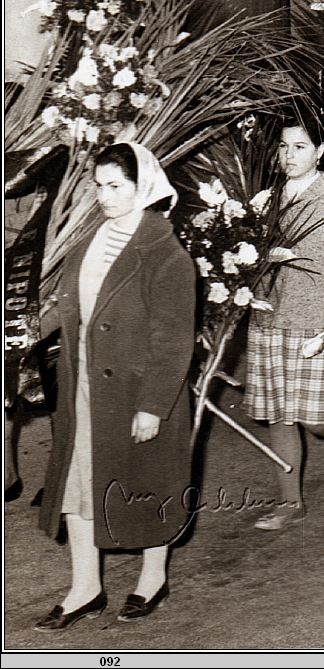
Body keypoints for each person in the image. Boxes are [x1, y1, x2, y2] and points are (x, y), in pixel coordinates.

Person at [37, 143, 195, 629]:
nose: (104, 195)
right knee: (78, 483)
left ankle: (152, 577)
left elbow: (173, 339)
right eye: (98, 185)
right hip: (85, 384)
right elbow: (73, 310)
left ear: (142, 186)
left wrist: (152, 406)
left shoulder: (165, 253)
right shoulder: (90, 240)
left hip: (138, 392)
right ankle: (86, 587)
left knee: (147, 483)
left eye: (115, 186)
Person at [245, 120, 324, 531]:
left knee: (316, 418)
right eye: (283, 147)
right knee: (279, 416)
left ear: (319, 151)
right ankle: (290, 502)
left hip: (313, 325)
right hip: (268, 317)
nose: (289, 155)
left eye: (300, 146)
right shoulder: (267, 201)